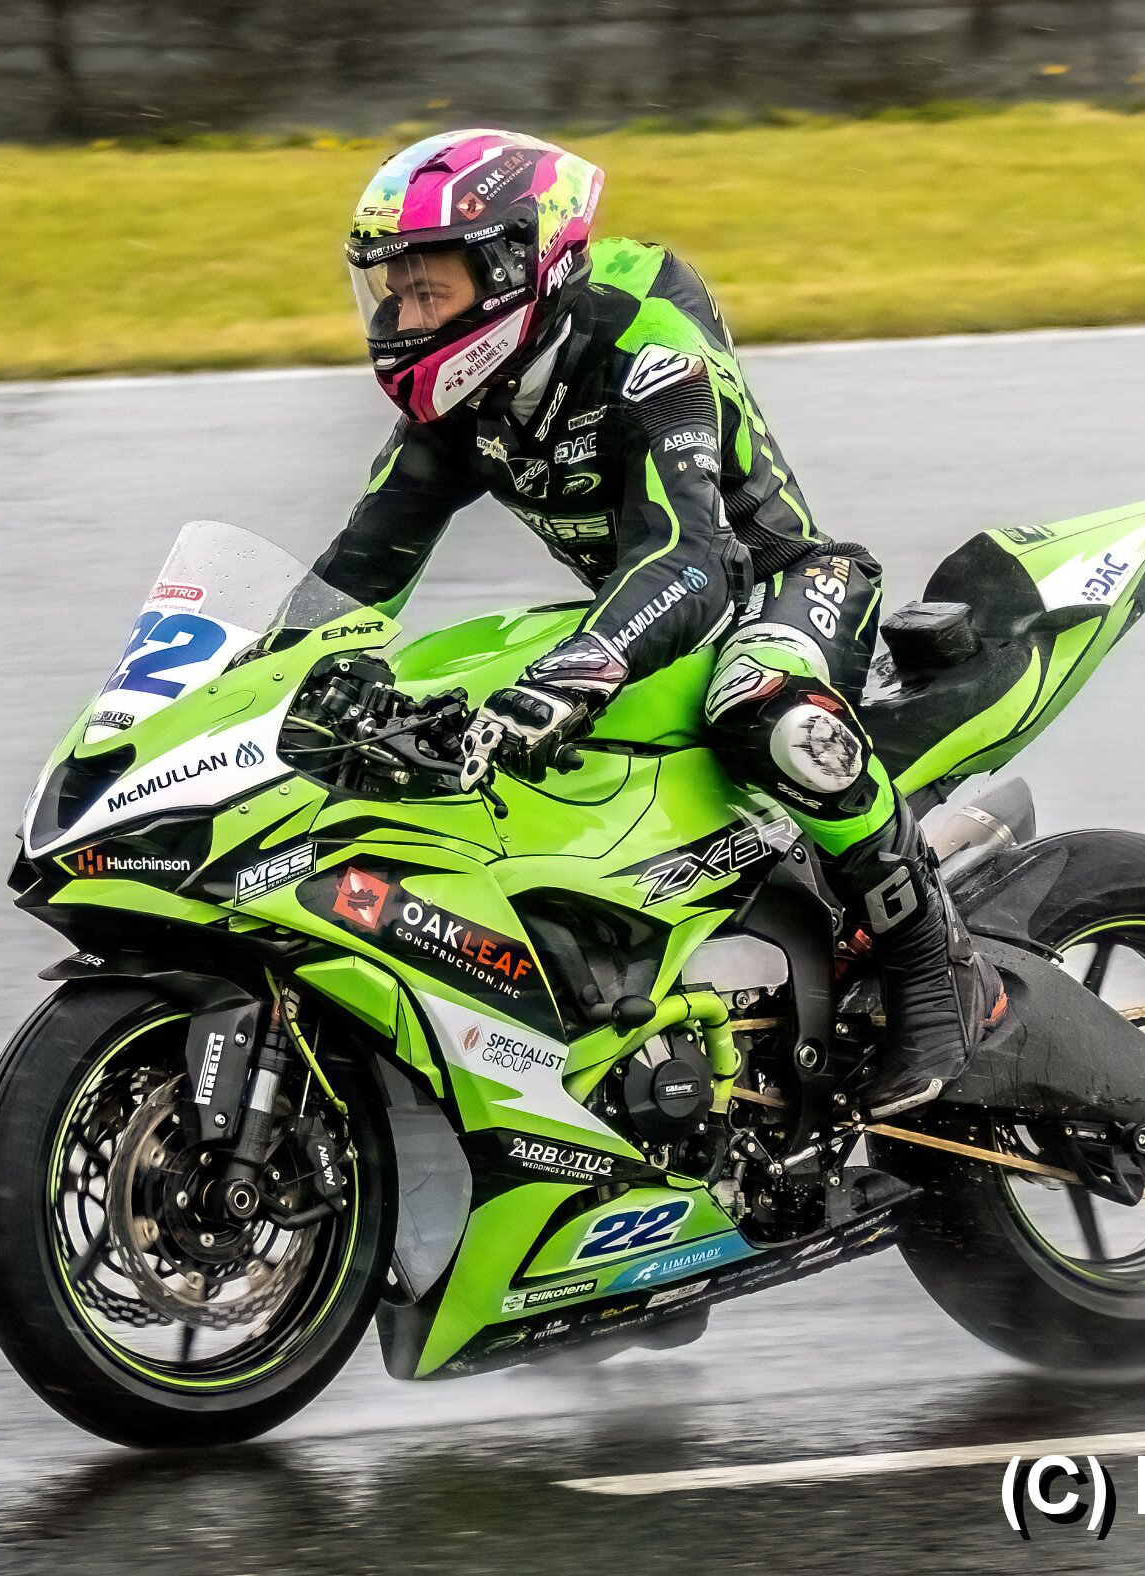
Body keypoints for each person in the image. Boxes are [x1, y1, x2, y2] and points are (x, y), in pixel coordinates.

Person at [316, 129, 990, 1116]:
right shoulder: (464, 402)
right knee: (434, 699)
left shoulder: (646, 349)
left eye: (431, 292)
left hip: (780, 585)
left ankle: (934, 965)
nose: (404, 319)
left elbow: (696, 558)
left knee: (761, 705)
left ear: (511, 268)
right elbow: (357, 572)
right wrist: (258, 683)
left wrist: (573, 672)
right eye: (395, 292)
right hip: (643, 619)